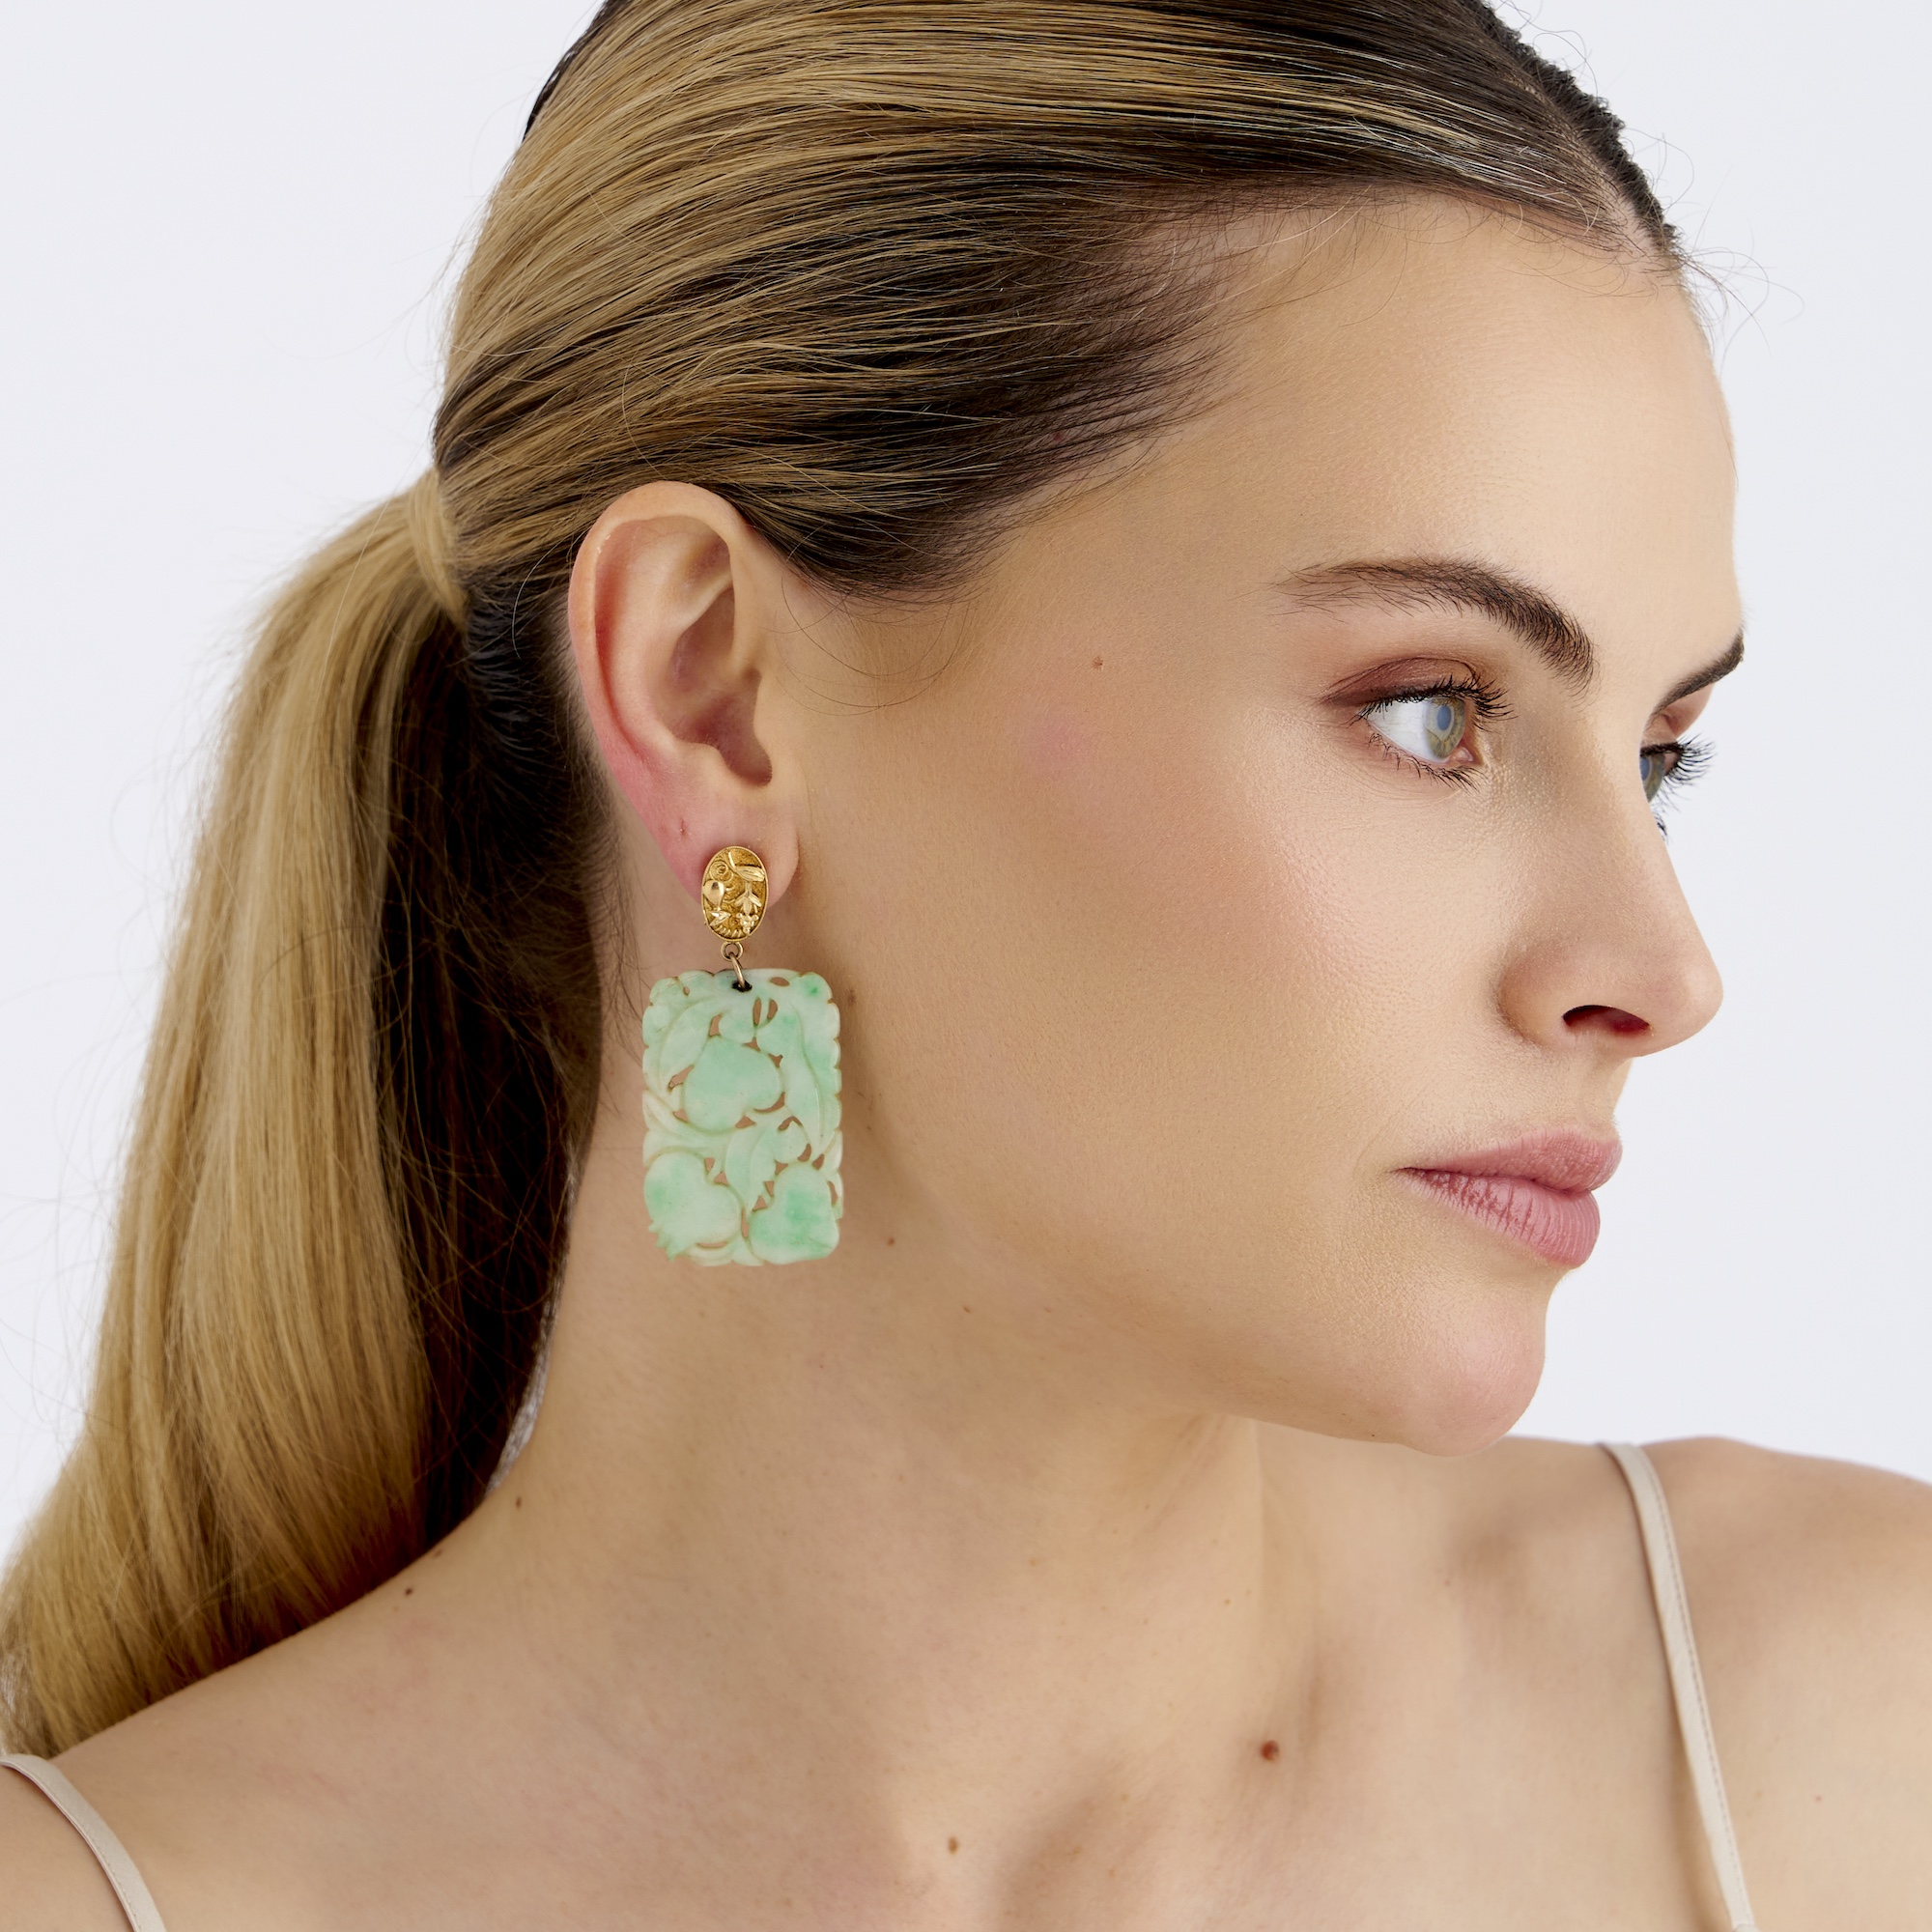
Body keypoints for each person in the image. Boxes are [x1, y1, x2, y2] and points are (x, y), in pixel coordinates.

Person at [3, 1, 1928, 1924]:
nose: (1662, 972)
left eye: (1659, 757)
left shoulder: (1857, 1737)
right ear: (712, 692)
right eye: (1434, 712)